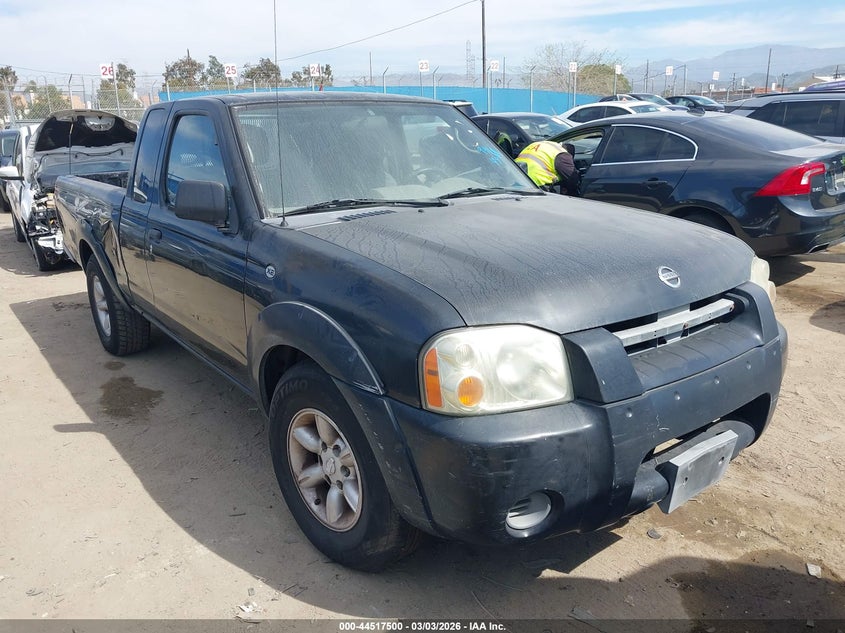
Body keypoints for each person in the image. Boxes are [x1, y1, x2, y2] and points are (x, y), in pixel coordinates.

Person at [515, 140, 580, 196]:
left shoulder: (543, 145)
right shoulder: (562, 154)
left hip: (516, 178)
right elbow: (572, 178)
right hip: (537, 184)